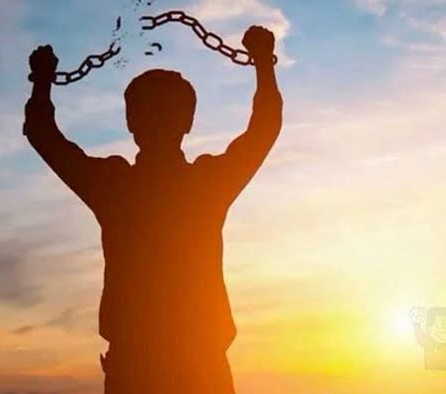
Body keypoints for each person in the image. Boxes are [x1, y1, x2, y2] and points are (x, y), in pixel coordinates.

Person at [23, 26, 283, 393]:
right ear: (189, 121)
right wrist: (263, 63)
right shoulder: (207, 184)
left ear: (130, 121)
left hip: (135, 369)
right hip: (201, 368)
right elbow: (265, 127)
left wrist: (42, 81)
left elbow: (43, 134)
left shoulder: (113, 187)